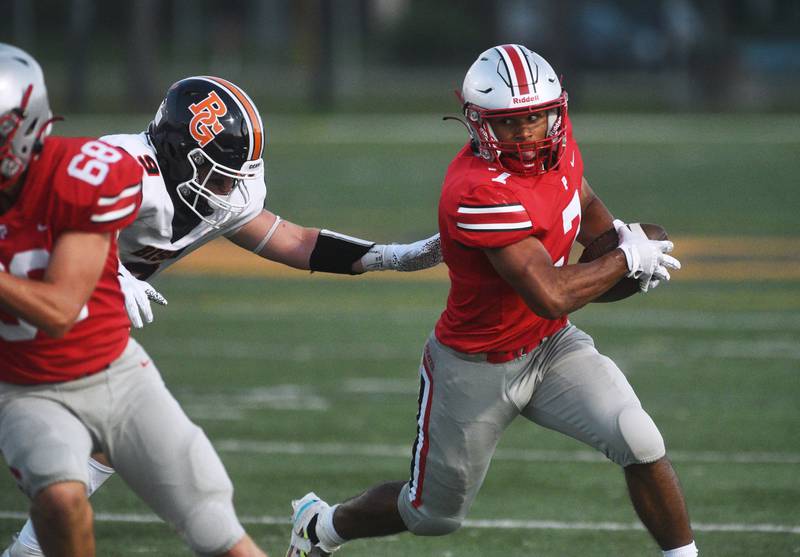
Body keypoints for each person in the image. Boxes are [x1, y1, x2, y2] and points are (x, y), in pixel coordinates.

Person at [284, 44, 698, 557]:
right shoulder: (478, 190)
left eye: (536, 118)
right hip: (475, 366)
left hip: (551, 346)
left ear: (557, 111)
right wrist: (623, 260)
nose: (526, 134)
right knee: (432, 516)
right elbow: (549, 293)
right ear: (478, 124)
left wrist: (615, 241)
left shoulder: (562, 146)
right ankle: (321, 526)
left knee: (638, 438)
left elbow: (583, 202)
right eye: (509, 124)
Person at [2, 74, 440, 556]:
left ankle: (29, 550)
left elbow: (292, 240)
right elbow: (42, 227)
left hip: (87, 330)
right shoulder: (122, 167)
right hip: (32, 310)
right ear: (175, 153)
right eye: (217, 173)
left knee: (116, 448)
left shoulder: (215, 191)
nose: (231, 189)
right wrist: (109, 274)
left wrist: (391, 256)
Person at [0, 44, 270, 557]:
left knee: (211, 515)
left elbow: (60, 306)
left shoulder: (88, 171)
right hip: (24, 381)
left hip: (114, 368)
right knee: (61, 502)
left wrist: (115, 271)